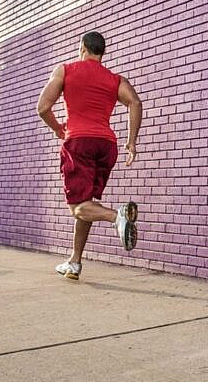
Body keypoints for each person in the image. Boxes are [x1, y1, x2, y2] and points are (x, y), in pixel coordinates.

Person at [36, 31, 142, 280]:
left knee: (77, 208)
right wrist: (131, 142)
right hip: (106, 146)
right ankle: (74, 262)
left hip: (79, 143)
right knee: (87, 204)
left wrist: (58, 129)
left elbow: (43, 107)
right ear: (102, 52)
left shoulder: (65, 70)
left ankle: (117, 216)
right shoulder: (115, 79)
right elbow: (135, 103)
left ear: (82, 47)